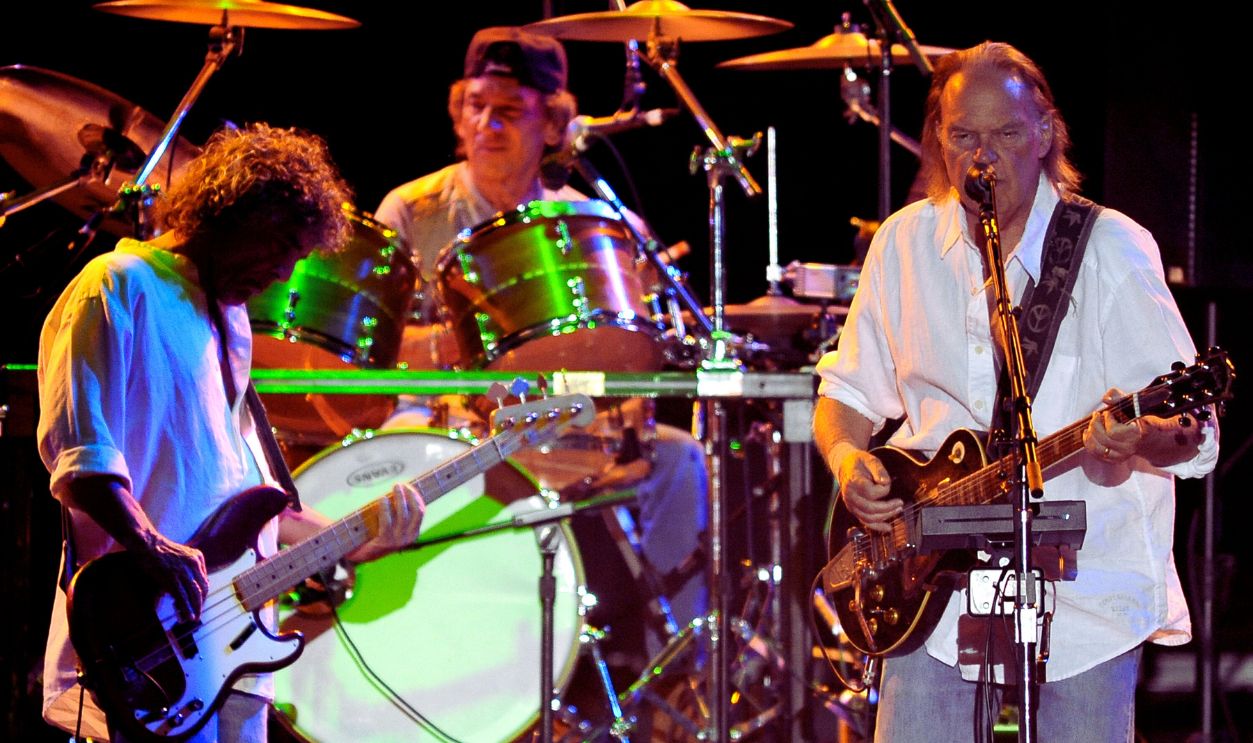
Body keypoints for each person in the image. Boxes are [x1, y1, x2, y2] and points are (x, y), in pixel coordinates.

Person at [812, 42, 1219, 742]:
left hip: (1082, 591)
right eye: (964, 135)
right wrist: (849, 463)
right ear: (938, 137)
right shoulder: (902, 245)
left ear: (1044, 133)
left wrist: (1141, 434)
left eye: (1004, 134)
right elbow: (845, 394)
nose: (982, 156)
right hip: (928, 588)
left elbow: (1193, 427)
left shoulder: (1110, 249)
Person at [36, 123, 426, 743]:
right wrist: (151, 544)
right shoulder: (116, 284)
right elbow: (80, 454)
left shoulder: (231, 319)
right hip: (139, 643)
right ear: (231, 212)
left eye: (295, 258)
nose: (280, 272)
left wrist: (361, 534)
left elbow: (244, 497)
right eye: (277, 247)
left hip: (231, 657)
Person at [373, 26, 709, 646]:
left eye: (509, 112)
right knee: (384, 458)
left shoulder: (593, 224)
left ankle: (679, 661)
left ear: (554, 127)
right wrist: (462, 346)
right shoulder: (411, 212)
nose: (488, 126)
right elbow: (370, 354)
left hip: (561, 421)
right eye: (476, 107)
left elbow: (634, 353)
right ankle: (399, 644)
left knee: (680, 458)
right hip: (439, 423)